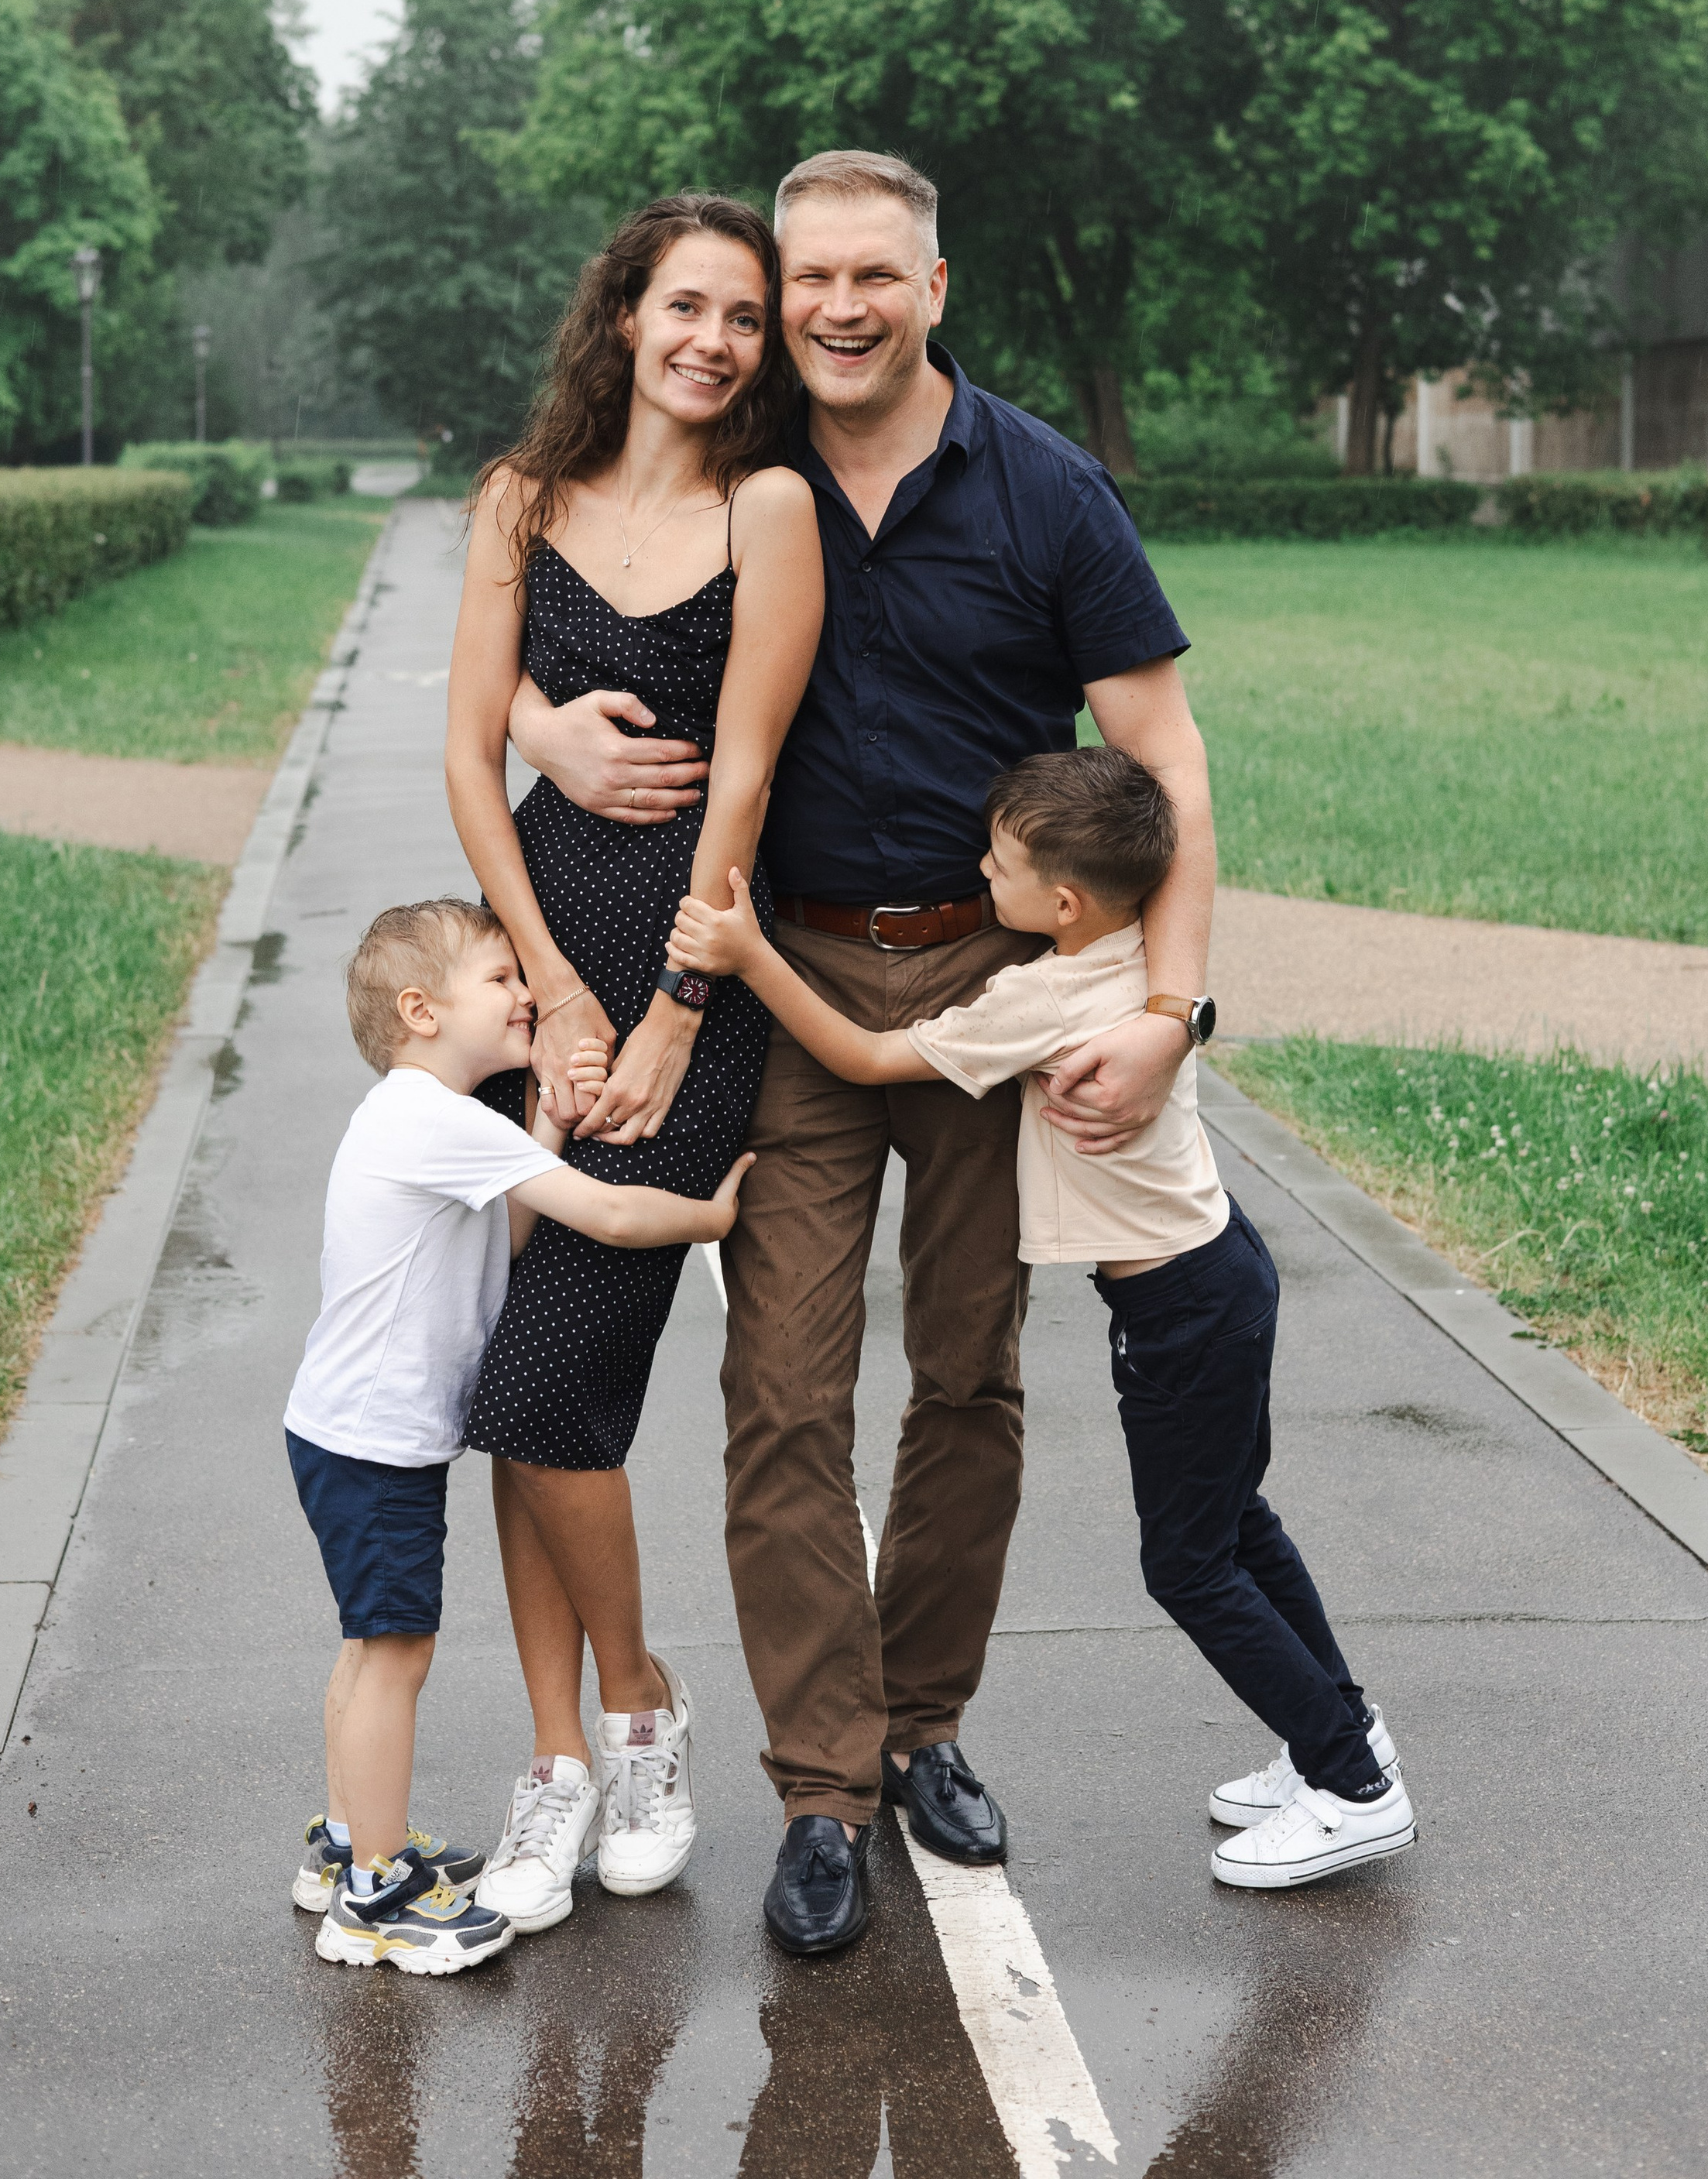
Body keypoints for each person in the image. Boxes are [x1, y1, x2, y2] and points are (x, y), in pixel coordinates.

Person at [507, 149, 1214, 1954]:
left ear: (932, 287)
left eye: (870, 276)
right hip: (787, 975)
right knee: (781, 1394)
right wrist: (535, 723)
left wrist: (1162, 1010)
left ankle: (923, 1728)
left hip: (993, 991)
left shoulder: (1045, 489)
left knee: (968, 1376)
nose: (831, 308)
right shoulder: (740, 468)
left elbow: (1165, 762)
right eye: (804, 277)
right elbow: (558, 577)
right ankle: (821, 1788)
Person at [672, 750, 1416, 1894]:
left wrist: (748, 953)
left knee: (1192, 1565)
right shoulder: (1136, 963)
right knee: (1239, 1527)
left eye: (999, 863)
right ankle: (1340, 1732)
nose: (978, 871)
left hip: (1176, 1311)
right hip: (1224, 1275)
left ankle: (1354, 1787)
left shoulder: (1042, 995)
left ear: (1062, 903)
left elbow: (867, 1055)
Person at [444, 192, 824, 1932]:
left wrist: (670, 1008)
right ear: (623, 315)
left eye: (743, 316)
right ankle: (556, 1761)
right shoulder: (518, 501)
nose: (714, 341)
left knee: (544, 1386)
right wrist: (547, 991)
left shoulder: (768, 507)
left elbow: (744, 775)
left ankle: (644, 1707)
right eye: (686, 306)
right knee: (520, 1392)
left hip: (692, 982)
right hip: (528, 982)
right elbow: (470, 757)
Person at [284, 898, 749, 1972]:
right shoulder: (432, 1119)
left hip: (342, 1431)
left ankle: (349, 1843)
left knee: (368, 1648)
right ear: (421, 1012)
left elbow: (504, 1235)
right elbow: (611, 1216)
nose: (526, 994)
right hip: (376, 1446)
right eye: (500, 979)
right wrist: (711, 1218)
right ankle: (375, 1894)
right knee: (395, 1653)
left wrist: (544, 1126)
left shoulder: (412, 1116)